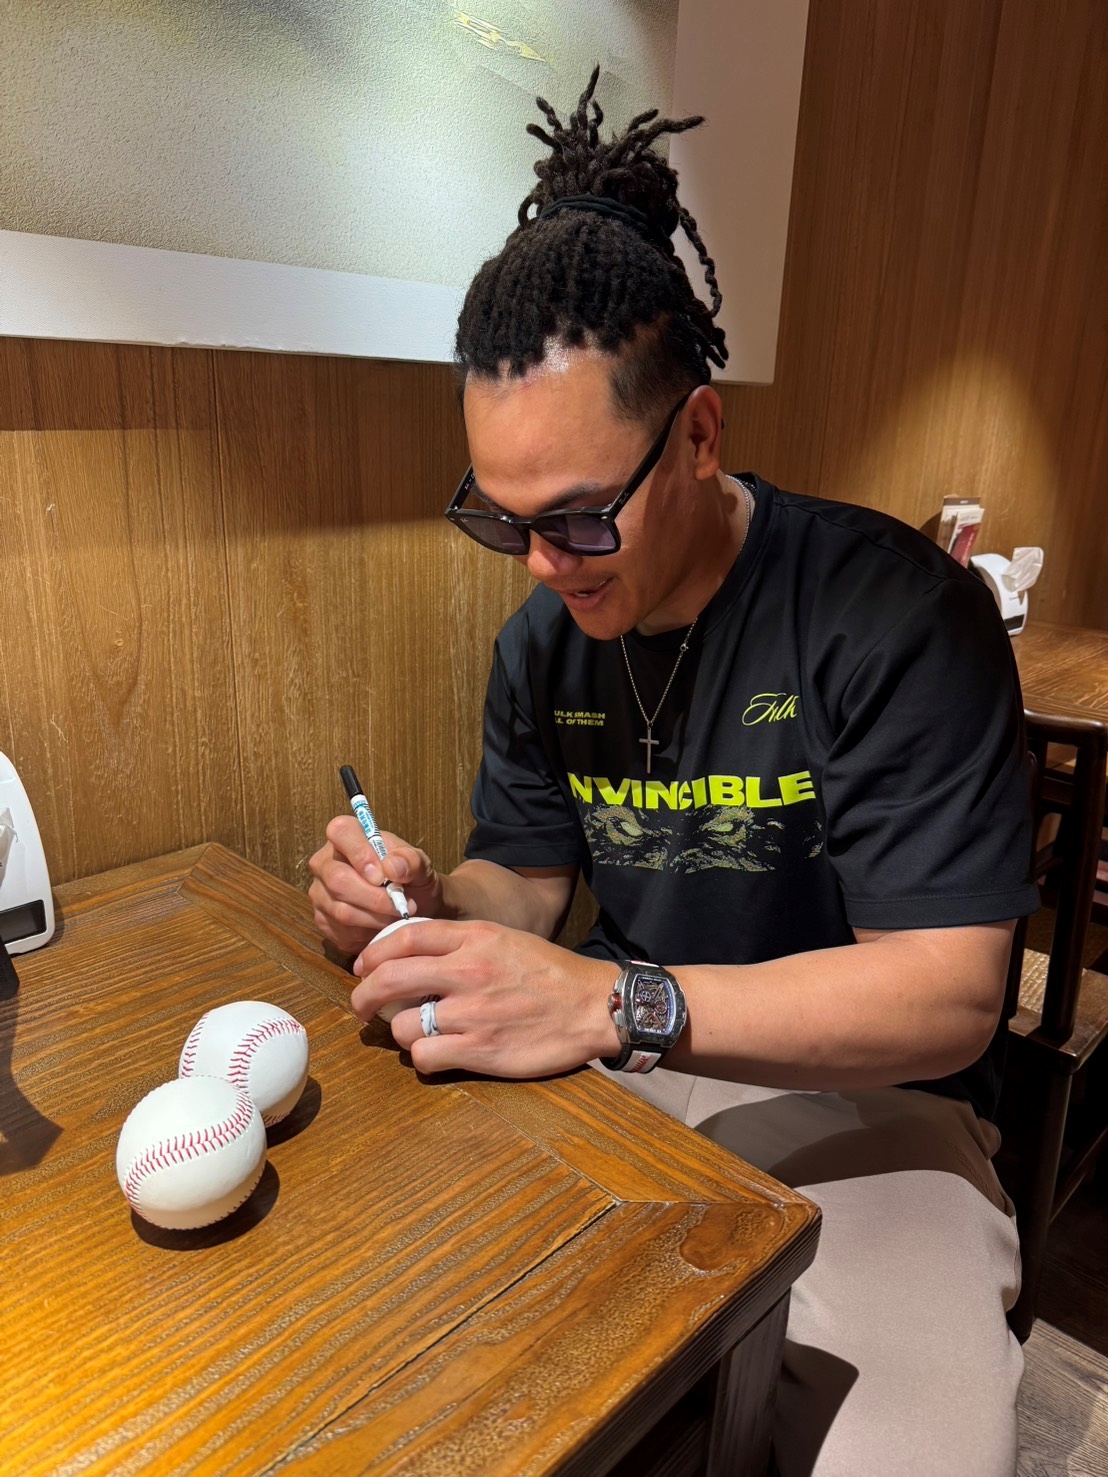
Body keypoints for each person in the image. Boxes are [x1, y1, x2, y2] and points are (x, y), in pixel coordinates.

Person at [309, 70, 1038, 1476]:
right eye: (502, 519)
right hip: (624, 1070)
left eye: (581, 517)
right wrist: (425, 895)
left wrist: (612, 999)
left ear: (700, 436)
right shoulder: (543, 643)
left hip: (876, 1103)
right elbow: (525, 880)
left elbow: (951, 995)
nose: (542, 566)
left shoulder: (891, 612)